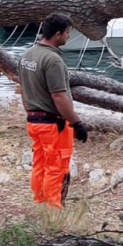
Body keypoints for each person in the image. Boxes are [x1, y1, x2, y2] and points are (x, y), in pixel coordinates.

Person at [17, 12, 88, 208]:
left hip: (34, 121)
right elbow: (59, 96)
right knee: (56, 166)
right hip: (53, 124)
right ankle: (53, 208)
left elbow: (23, 89)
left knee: (40, 163)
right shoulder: (53, 60)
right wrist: (76, 122)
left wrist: (29, 112)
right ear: (58, 34)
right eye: (67, 33)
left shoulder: (26, 56)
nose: (68, 36)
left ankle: (39, 202)